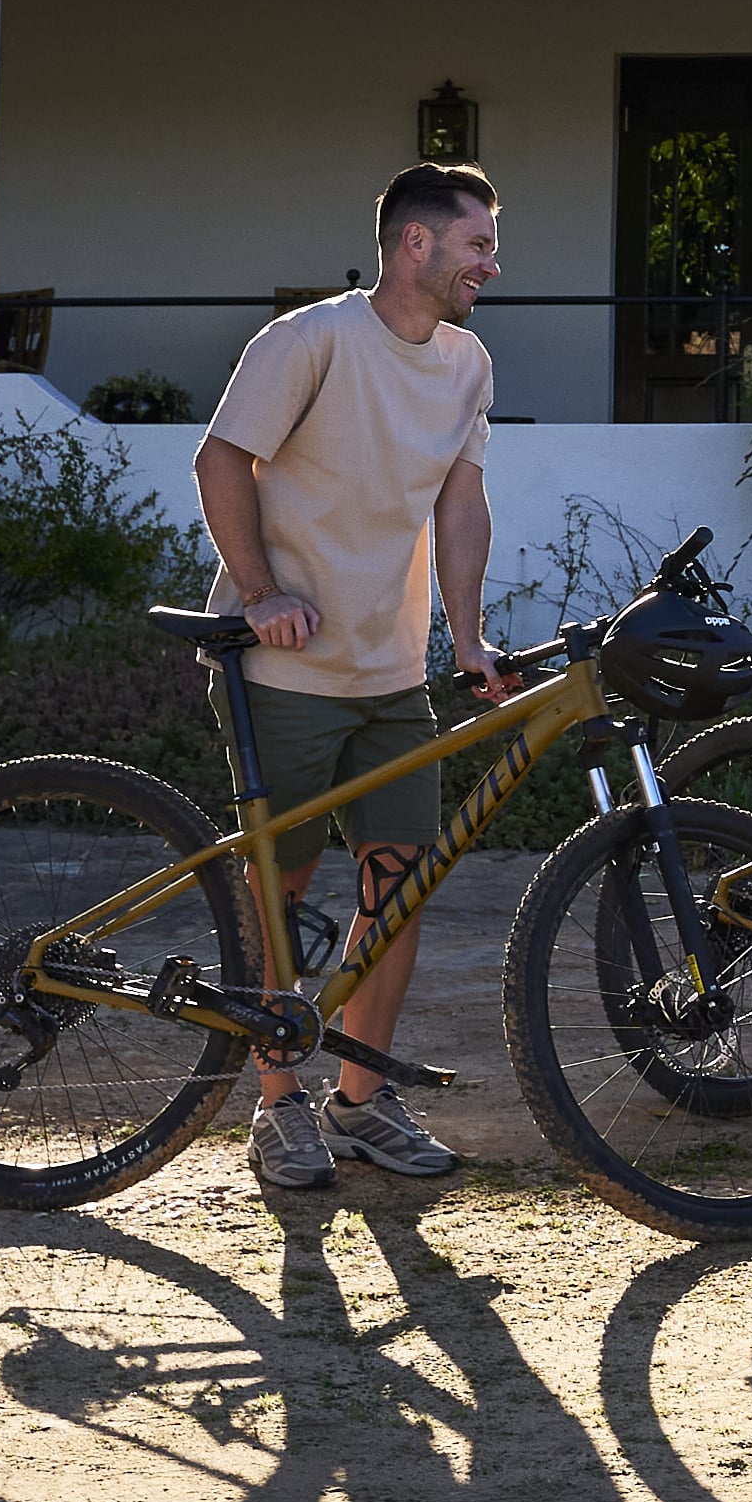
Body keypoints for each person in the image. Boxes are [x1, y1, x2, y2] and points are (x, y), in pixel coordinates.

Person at [192, 162, 515, 1192]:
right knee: (279, 890)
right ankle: (277, 1107)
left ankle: (362, 1101)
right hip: (280, 668)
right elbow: (220, 460)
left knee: (399, 889)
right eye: (477, 245)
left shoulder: (466, 363)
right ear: (415, 244)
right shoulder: (311, 341)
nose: (490, 266)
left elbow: (460, 505)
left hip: (388, 671)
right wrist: (255, 593)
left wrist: (464, 638)